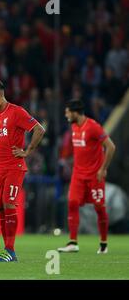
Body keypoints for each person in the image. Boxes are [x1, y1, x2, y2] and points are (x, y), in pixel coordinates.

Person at [0, 79, 45, 262]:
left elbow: (39, 129)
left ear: (1, 95)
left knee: (9, 203)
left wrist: (27, 151)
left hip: (14, 166)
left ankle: (10, 250)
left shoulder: (16, 112)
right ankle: (7, 250)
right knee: (1, 208)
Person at [58, 99, 115, 254]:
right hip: (78, 174)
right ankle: (73, 242)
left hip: (94, 175)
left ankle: (103, 243)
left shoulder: (93, 127)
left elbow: (110, 146)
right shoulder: (74, 126)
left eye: (67, 112)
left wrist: (103, 169)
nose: (66, 115)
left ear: (75, 112)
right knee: (72, 203)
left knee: (99, 208)